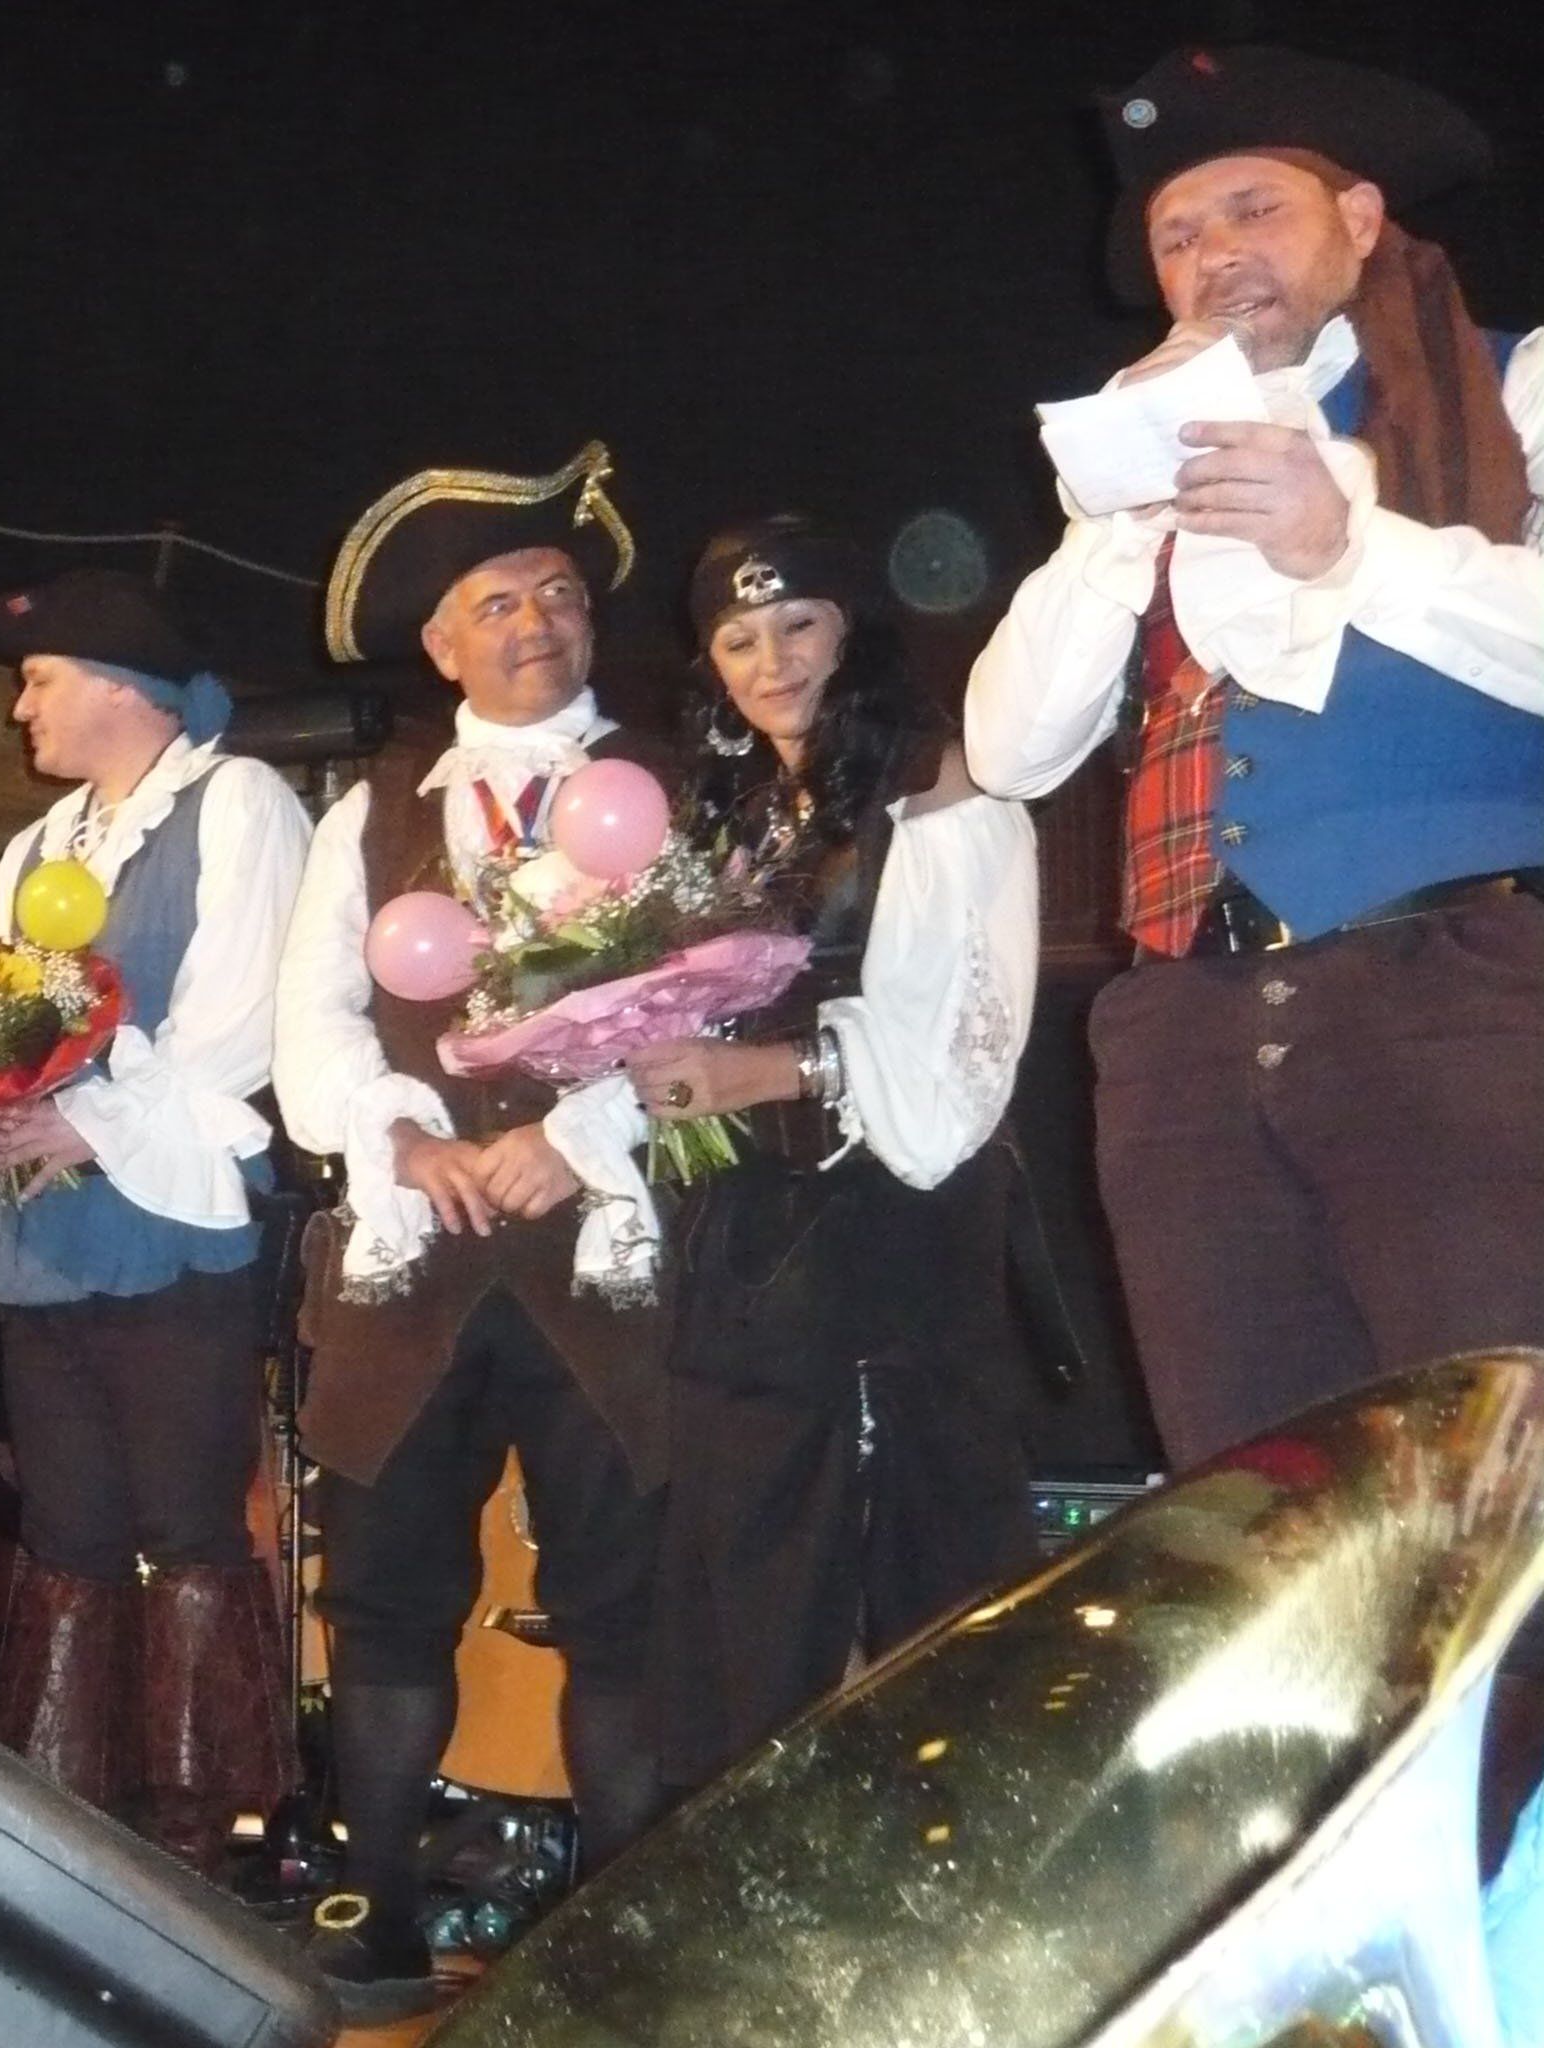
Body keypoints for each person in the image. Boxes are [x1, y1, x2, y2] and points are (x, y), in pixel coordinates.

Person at [963, 45, 1543, 1479]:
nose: (1214, 254)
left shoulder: (1516, 382)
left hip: (1457, 998)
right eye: (1177, 235)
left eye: (1252, 209)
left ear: (1359, 217)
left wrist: (1347, 544)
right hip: (1187, 1040)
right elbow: (1007, 749)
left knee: (1499, 1492)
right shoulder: (1137, 470)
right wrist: (1111, 519)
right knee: (1255, 1504)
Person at [271, 450, 674, 2019]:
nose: (536, 622)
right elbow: (312, 1024)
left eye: (559, 594)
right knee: (382, 1595)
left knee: (623, 1606)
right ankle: (378, 1915)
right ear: (441, 645)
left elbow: (724, 1001)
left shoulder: (672, 791)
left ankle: (613, 1949)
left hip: (602, 1260)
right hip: (417, 1261)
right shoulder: (370, 813)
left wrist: (581, 1136)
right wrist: (404, 1135)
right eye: (496, 602)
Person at [0, 567, 309, 1873]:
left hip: (174, 1226)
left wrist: (84, 1125)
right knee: (67, 1536)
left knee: (186, 1530)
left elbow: (240, 1022)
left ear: (122, 687)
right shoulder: (37, 847)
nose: (20, 707)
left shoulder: (238, 803)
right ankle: (63, 1821)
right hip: (48, 1239)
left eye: (39, 679)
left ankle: (201, 1840)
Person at [629, 516, 1042, 1801]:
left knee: (903, 1592)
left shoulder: (941, 783)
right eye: (739, 639)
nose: (774, 661)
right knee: (750, 1590)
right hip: (747, 1249)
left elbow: (966, 1049)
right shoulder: (732, 813)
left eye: (798, 623)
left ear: (849, 628)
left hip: (890, 1241)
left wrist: (774, 1072)